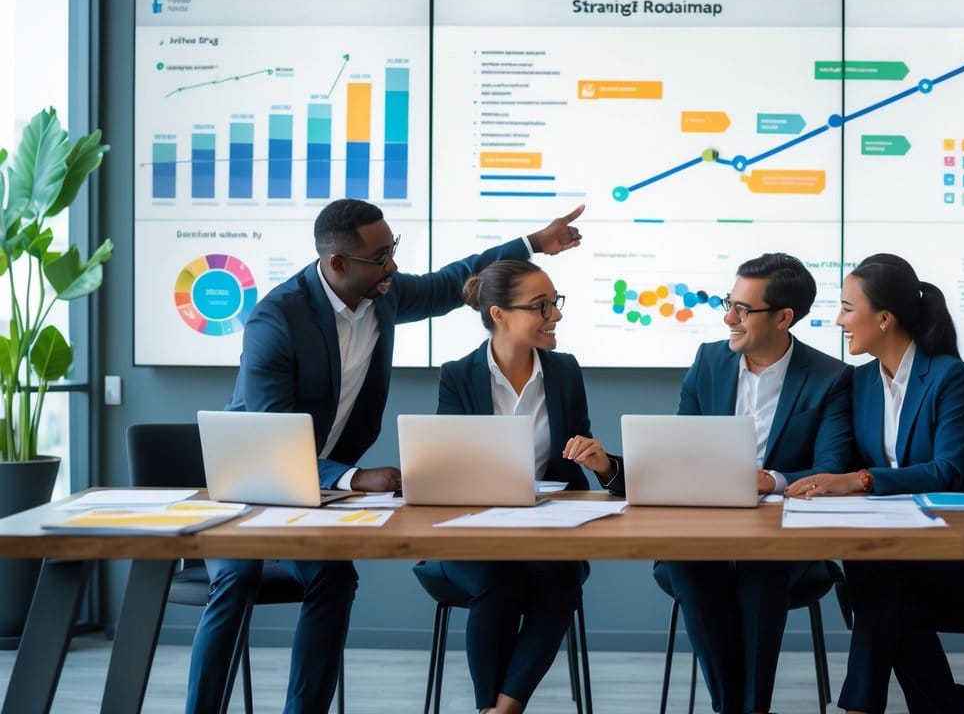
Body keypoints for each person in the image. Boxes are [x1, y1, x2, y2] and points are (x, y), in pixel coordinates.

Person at [184, 199, 585, 714]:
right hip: (253, 476)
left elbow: (451, 281)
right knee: (236, 580)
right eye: (381, 256)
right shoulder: (276, 320)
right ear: (338, 264)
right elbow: (274, 440)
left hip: (323, 487)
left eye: (392, 249)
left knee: (335, 577)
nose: (392, 265)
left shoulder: (383, 293)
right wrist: (354, 477)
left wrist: (534, 242)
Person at [576, 253, 855, 714]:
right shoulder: (709, 361)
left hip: (783, 545)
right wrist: (612, 468)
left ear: (783, 317)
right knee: (689, 568)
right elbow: (678, 452)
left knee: (760, 574)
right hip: (702, 535)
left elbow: (832, 467)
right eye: (730, 303)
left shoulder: (829, 378)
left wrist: (771, 480)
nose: (728, 317)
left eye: (742, 309)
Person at [787, 252, 964, 714]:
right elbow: (839, 461)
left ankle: (872, 707)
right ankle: (935, 706)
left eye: (848, 308)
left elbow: (947, 469)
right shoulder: (861, 382)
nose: (838, 320)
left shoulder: (947, 376)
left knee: (879, 581)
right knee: (885, 586)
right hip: (909, 555)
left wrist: (862, 480)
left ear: (884, 318)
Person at [422, 259, 617, 714]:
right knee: (498, 581)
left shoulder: (565, 372)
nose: (556, 315)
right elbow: (445, 466)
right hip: (473, 535)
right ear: (499, 315)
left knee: (561, 579)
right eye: (541, 306)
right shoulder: (458, 375)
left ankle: (504, 709)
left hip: (547, 533)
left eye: (555, 303)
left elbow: (577, 460)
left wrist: (597, 460)